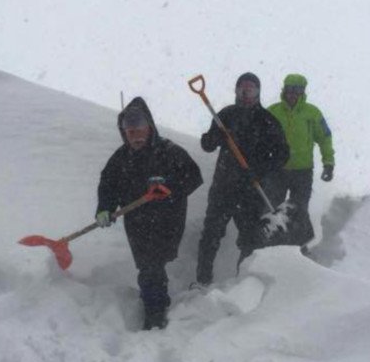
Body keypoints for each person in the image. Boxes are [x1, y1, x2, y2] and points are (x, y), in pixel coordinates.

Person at [96, 97, 203, 330]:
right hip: (136, 221)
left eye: (139, 129)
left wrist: (170, 189)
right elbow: (108, 185)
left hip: (168, 219)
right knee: (148, 266)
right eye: (130, 131)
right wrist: (104, 208)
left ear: (150, 126)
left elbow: (195, 177)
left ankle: (155, 313)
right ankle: (154, 304)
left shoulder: (169, 151)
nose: (135, 135)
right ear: (124, 132)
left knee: (152, 266)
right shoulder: (121, 158)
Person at [195, 72, 289, 286]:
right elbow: (208, 145)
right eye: (241, 88)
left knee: (249, 239)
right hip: (223, 187)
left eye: (251, 88)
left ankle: (242, 285)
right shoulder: (225, 115)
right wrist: (214, 137)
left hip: (250, 191)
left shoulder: (267, 121)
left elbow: (283, 154)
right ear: (236, 91)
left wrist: (259, 168)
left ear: (258, 92)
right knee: (210, 235)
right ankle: (202, 282)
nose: (246, 93)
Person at [267, 74, 335, 250]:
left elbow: (325, 138)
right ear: (284, 90)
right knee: (272, 208)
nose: (292, 94)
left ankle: (300, 248)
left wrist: (328, 163)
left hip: (302, 172)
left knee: (299, 210)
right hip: (276, 171)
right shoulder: (273, 111)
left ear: (303, 92)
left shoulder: (312, 113)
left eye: (296, 91)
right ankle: (273, 247)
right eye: (289, 90)